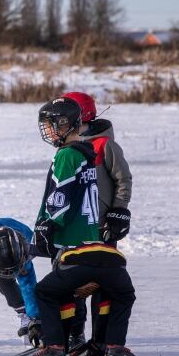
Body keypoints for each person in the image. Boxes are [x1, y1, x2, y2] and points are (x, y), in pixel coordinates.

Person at [34, 96, 100, 347]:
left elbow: (59, 199)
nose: (48, 131)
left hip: (70, 238)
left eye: (52, 125)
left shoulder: (66, 156)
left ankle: (62, 341)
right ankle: (75, 335)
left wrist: (47, 226)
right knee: (75, 291)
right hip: (87, 236)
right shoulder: (85, 152)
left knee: (60, 293)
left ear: (66, 124)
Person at [32, 243, 136, 356]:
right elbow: (99, 272)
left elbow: (65, 288)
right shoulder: (87, 249)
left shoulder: (65, 258)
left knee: (45, 292)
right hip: (116, 265)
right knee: (122, 298)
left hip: (81, 267)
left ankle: (55, 349)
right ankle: (115, 348)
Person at [61, 92, 132, 244]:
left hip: (99, 227)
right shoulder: (66, 148)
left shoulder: (104, 145)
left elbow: (123, 179)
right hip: (73, 226)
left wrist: (118, 210)